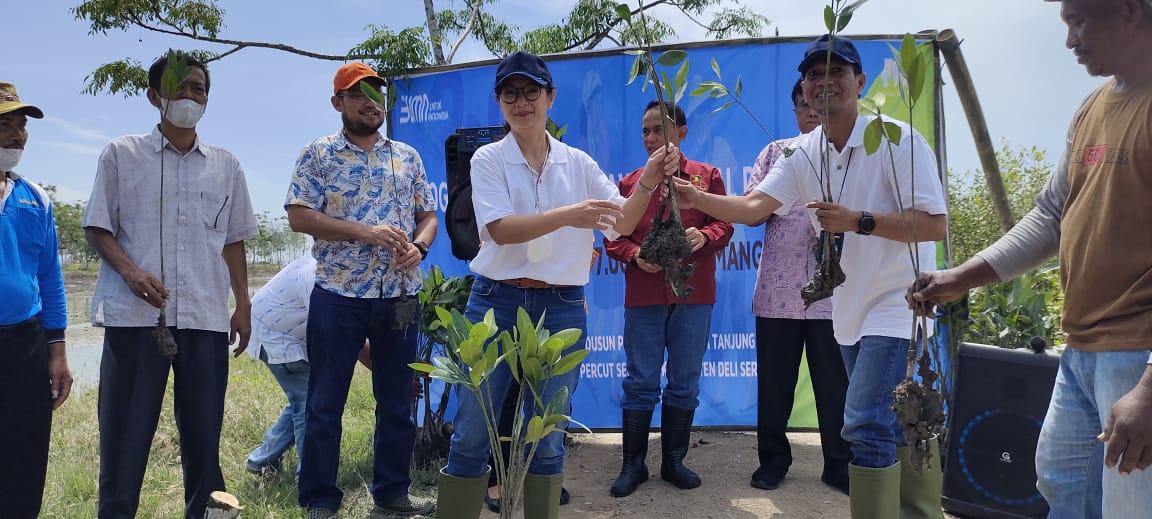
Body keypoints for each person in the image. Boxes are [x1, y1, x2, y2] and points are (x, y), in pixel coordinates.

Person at [672, 35, 948, 518]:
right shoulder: (801, 152)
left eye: (836, 72)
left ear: (859, 82)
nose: (824, 83)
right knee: (887, 421)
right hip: (846, 307)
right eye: (814, 75)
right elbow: (755, 206)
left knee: (861, 421)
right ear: (803, 87)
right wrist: (698, 200)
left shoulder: (897, 138)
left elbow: (934, 223)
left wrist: (858, 221)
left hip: (898, 301)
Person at [910, 1, 1152, 517]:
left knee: (1131, 506)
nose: (1070, 40)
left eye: (1081, 20)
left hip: (1139, 353)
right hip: (1083, 347)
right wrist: (961, 277)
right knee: (1061, 484)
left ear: (1132, 10)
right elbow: (1050, 216)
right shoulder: (1093, 106)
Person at [434, 50, 678, 519]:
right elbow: (500, 229)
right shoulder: (488, 159)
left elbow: (622, 223)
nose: (521, 101)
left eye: (531, 91)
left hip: (562, 305)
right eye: (510, 93)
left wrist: (646, 179)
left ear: (551, 97)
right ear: (499, 101)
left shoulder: (578, 162)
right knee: (470, 430)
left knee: (547, 434)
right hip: (494, 301)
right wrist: (573, 215)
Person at [83, 52, 258, 519]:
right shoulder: (121, 155)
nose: (190, 94)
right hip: (136, 319)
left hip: (204, 318)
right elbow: (97, 226)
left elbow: (234, 241)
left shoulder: (227, 166)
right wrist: (131, 272)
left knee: (204, 440)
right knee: (124, 438)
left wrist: (242, 305)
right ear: (154, 95)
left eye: (199, 88)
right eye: (179, 85)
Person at [285, 62, 439, 519]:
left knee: (396, 398)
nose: (371, 102)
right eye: (358, 94)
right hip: (338, 295)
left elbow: (427, 214)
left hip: (399, 297)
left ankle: (392, 494)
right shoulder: (318, 154)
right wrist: (365, 232)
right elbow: (298, 215)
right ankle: (319, 500)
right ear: (338, 103)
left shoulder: (407, 156)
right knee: (325, 402)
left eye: (376, 93)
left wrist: (421, 246)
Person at [603, 100, 734, 497]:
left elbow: (726, 224)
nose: (651, 138)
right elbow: (612, 237)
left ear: (682, 133)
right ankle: (633, 465)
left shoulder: (705, 178)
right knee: (640, 380)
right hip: (643, 296)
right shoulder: (629, 184)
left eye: (659, 129)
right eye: (645, 131)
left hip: (694, 295)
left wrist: (704, 236)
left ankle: (674, 461)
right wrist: (634, 255)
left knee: (684, 381)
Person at [743, 79, 852, 495]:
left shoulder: (846, 158)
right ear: (796, 109)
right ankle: (773, 461)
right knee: (775, 383)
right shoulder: (777, 154)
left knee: (833, 384)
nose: (810, 110)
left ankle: (838, 464)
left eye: (816, 103)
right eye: (802, 104)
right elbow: (752, 214)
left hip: (832, 293)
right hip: (778, 292)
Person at [0, 81, 73, 519]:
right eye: (5, 124)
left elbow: (50, 278)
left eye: (22, 126)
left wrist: (57, 351)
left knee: (24, 453)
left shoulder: (35, 198)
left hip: (24, 343)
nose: (18, 135)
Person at [244, 255, 375, 477]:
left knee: (306, 400)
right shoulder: (316, 278)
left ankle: (261, 460)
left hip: (289, 330)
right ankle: (309, 477)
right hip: (274, 334)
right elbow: (351, 338)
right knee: (310, 405)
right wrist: (388, 375)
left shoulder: (343, 268)